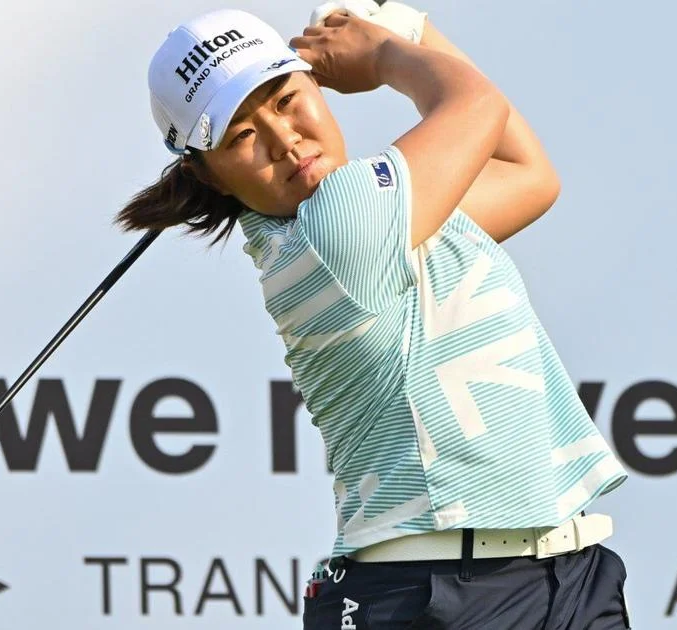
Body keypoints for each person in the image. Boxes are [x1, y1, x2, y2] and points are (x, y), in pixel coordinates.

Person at [118, 3, 632, 628]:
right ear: (210, 176)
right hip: (437, 596)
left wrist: (404, 25)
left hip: (564, 574)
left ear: (314, 83)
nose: (285, 140)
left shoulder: (387, 217)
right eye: (242, 136)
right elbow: (477, 105)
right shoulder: (339, 227)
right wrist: (384, 52)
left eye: (285, 99)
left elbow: (528, 176)